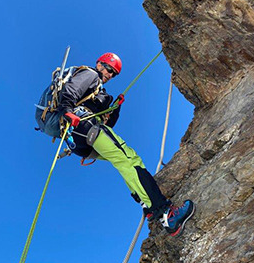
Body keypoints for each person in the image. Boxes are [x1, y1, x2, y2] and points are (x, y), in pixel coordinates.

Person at [58, 52, 195, 237]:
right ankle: (164, 212)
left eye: (113, 73)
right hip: (84, 126)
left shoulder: (99, 92)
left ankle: (146, 203)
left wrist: (116, 108)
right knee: (129, 160)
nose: (109, 74)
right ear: (99, 64)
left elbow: (108, 124)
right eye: (108, 69)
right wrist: (66, 110)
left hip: (81, 138)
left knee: (124, 161)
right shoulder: (90, 74)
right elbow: (71, 91)